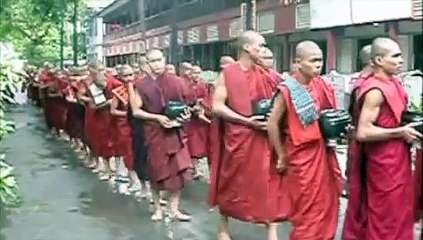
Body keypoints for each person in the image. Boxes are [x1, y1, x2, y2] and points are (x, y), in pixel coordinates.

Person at [210, 31, 286, 240]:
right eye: (260, 46)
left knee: (270, 182)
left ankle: (271, 230)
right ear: (246, 48)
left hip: (263, 138)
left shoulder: (268, 75)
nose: (264, 50)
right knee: (231, 183)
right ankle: (224, 226)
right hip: (239, 136)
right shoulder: (228, 74)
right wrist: (246, 121)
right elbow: (216, 107)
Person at [343, 37, 421, 240]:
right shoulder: (375, 90)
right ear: (378, 60)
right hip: (382, 163)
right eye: (395, 56)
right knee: (385, 217)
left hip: (399, 158)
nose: (401, 60)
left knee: (400, 213)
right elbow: (363, 132)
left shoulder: (394, 83)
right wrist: (399, 132)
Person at [267, 40, 343, 239]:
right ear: (298, 62)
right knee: (306, 210)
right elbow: (272, 123)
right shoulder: (287, 89)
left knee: (327, 204)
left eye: (320, 60)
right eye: (313, 60)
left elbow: (329, 116)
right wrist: (281, 155)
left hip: (322, 153)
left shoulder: (322, 85)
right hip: (300, 157)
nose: (318, 64)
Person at [131, 49, 192, 221]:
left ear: (164, 60)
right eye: (152, 61)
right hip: (155, 132)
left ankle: (174, 209)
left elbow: (187, 107)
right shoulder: (142, 85)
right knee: (156, 171)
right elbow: (136, 111)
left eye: (158, 60)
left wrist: (185, 117)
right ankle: (157, 208)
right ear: (147, 64)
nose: (156, 64)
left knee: (178, 171)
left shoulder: (177, 82)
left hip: (175, 132)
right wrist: (157, 118)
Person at [185, 65, 211, 179]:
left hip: (203, 120)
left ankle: (209, 170)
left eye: (198, 73)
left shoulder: (205, 86)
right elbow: (183, 102)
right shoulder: (186, 87)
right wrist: (192, 109)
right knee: (193, 145)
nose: (196, 75)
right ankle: (196, 169)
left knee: (206, 144)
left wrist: (202, 105)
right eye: (194, 73)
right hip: (192, 121)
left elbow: (209, 99)